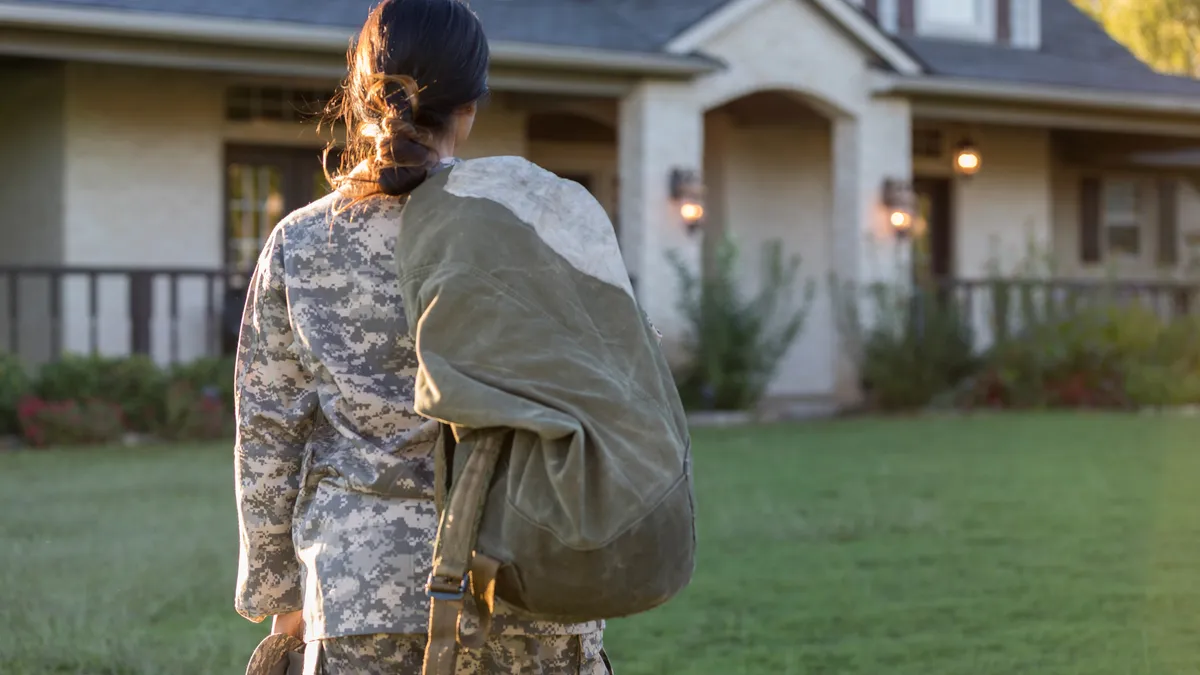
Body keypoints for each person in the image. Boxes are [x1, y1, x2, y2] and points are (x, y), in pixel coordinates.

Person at [232, 1, 610, 673]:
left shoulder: (301, 242)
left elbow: (269, 433)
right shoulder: (531, 225)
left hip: (360, 594)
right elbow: (601, 396)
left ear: (362, 97)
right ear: (469, 107)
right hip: (529, 582)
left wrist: (279, 591)